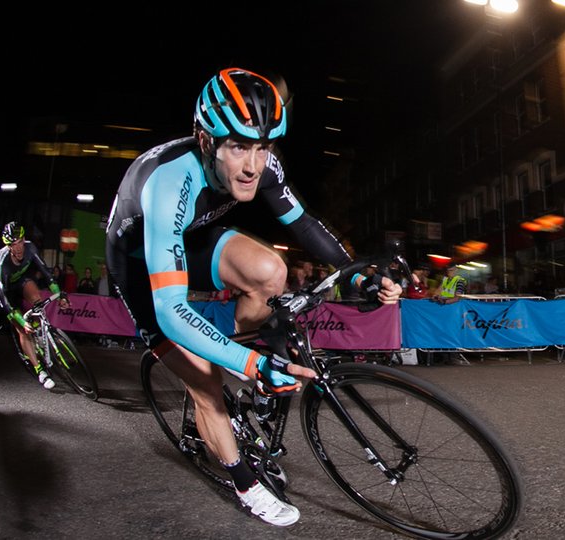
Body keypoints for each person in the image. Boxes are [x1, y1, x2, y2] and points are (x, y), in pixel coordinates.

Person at [104, 68, 401, 527]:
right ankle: (245, 483)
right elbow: (172, 309)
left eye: (263, 147)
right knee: (204, 383)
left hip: (196, 235)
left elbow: (303, 223)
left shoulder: (262, 164)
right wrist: (253, 366)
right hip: (140, 265)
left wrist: (356, 276)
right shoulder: (169, 182)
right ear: (207, 141)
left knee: (271, 271)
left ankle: (244, 365)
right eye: (239, 147)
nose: (253, 165)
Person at [0, 222, 69, 389]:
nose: (18, 247)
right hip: (5, 290)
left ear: (24, 239)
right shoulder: (4, 263)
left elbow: (47, 274)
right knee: (22, 329)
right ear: (8, 246)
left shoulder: (30, 248)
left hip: (20, 279)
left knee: (37, 299)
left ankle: (41, 330)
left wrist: (59, 295)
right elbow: (5, 299)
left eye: (20, 241)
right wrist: (21, 321)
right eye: (13, 244)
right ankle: (40, 370)